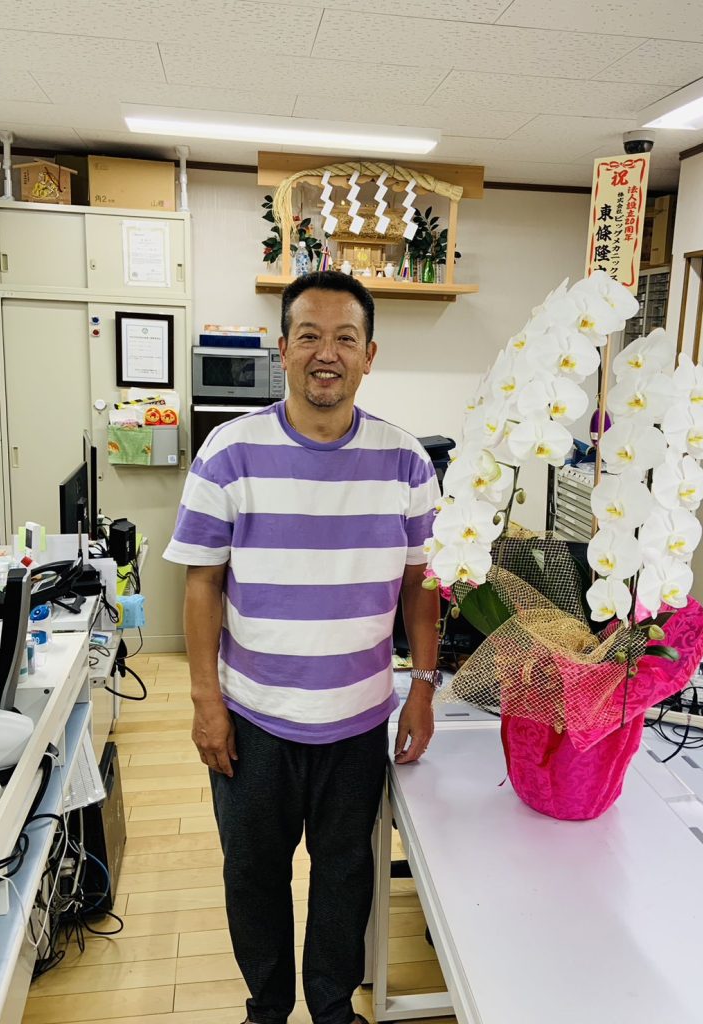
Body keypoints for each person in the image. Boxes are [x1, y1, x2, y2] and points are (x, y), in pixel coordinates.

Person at [164, 270, 441, 1024]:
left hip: (357, 719)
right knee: (253, 873)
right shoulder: (229, 451)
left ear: (369, 355)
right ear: (282, 348)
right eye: (310, 336)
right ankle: (267, 1006)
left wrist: (422, 687)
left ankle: (331, 1006)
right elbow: (201, 585)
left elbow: (422, 586)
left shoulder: (406, 461)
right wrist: (205, 702)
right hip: (254, 718)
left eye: (345, 338)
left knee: (346, 873)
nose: (327, 353)